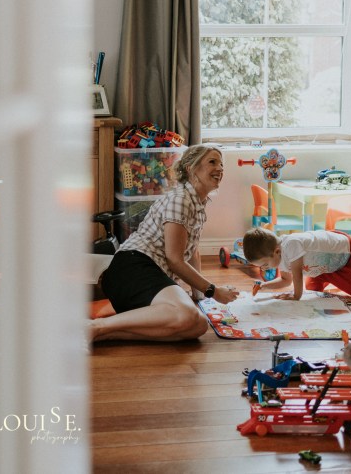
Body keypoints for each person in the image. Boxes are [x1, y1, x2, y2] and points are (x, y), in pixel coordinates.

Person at [90, 144, 240, 343]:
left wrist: (199, 296)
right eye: (212, 162)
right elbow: (175, 260)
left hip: (148, 274)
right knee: (187, 316)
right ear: (191, 169)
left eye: (221, 164)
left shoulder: (197, 203)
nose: (220, 168)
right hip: (133, 268)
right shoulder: (180, 200)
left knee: (198, 325)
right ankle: (96, 326)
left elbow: (192, 251)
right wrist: (213, 291)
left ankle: (101, 333)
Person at [241, 227, 351, 302]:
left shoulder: (291, 244)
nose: (264, 268)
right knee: (313, 289)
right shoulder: (279, 257)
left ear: (276, 252)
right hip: (323, 267)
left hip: (344, 253)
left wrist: (296, 296)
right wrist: (264, 286)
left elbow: (297, 276)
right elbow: (286, 280)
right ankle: (329, 276)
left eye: (265, 264)